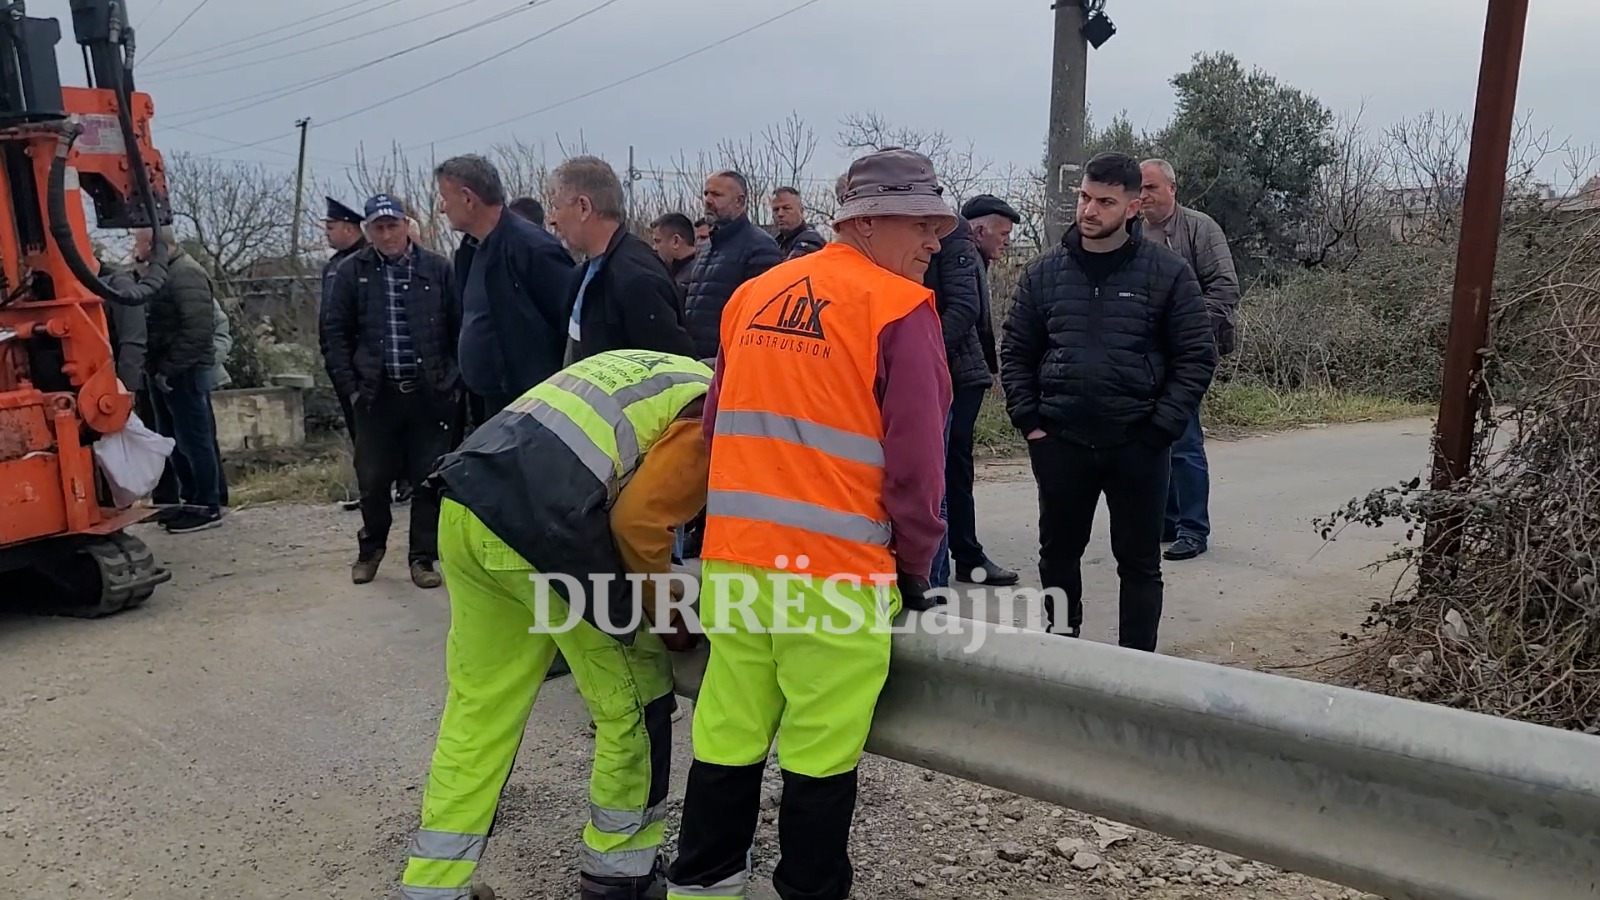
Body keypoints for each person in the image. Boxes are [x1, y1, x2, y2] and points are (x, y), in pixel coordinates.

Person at [666, 147, 953, 900]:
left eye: (939, 225)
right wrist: (916, 565)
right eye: (921, 223)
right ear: (866, 222)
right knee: (820, 756)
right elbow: (918, 466)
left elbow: (715, 426)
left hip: (736, 563)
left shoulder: (752, 295)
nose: (935, 239)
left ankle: (701, 890)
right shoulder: (899, 309)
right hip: (834, 577)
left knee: (726, 736)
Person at [404, 349, 713, 900]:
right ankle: (620, 875)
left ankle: (433, 886)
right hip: (545, 535)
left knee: (480, 708)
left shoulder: (653, 368)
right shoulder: (713, 408)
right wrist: (671, 621)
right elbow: (639, 524)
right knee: (634, 703)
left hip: (466, 503)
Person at [999, 152, 1215, 651]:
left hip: (1138, 443)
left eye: (1105, 202)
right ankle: (1062, 647)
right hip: (1060, 441)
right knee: (1057, 556)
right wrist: (1030, 422)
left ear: (1133, 207)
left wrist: (1160, 430)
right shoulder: (1043, 273)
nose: (1089, 210)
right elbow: (1016, 352)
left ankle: (1137, 668)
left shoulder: (1168, 274)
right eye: (1084, 197)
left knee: (1139, 564)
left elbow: (1195, 357)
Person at [324, 193, 463, 589]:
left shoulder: (437, 269)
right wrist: (351, 388)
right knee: (372, 479)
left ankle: (422, 558)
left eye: (393, 225)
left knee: (427, 479)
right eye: (379, 228)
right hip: (375, 395)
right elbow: (336, 335)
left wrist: (452, 381)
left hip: (428, 393)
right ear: (368, 230)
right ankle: (371, 549)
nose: (387, 235)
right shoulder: (352, 272)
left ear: (406, 225)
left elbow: (459, 328)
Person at [1139, 158, 1240, 562]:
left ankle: (1193, 528)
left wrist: (1185, 327)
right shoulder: (1131, 233)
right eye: (1139, 188)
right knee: (1152, 439)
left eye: (1151, 187)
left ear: (1172, 189)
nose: (1144, 195)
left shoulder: (1200, 228)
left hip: (1189, 353)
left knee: (1183, 438)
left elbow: (1225, 287)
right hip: (1142, 356)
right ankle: (1166, 521)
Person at [922, 198, 1019, 589]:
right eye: (1003, 233)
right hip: (955, 372)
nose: (1007, 242)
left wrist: (924, 355)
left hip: (959, 375)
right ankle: (962, 556)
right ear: (981, 230)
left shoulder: (957, 244)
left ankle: (966, 556)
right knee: (947, 468)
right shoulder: (959, 243)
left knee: (951, 468)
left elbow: (964, 309)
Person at [435, 154, 575, 423]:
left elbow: (567, 325)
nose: (442, 208)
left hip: (532, 407)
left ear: (468, 198)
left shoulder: (532, 249)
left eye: (445, 198)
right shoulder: (469, 251)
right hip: (490, 405)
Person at [544, 155, 695, 362]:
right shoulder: (586, 273)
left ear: (583, 207)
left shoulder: (637, 280)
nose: (551, 219)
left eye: (556, 207)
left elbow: (674, 368)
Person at [135, 225, 226, 534]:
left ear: (153, 244)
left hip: (184, 372)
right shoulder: (161, 272)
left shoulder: (186, 273)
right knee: (174, 440)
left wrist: (169, 368)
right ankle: (191, 501)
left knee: (194, 441)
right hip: (164, 370)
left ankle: (207, 504)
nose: (135, 248)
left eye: (138, 242)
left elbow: (197, 330)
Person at [680, 169, 783, 360]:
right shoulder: (708, 247)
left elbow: (762, 317)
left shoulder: (760, 247)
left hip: (730, 361)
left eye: (717, 195)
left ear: (739, 201)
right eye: (706, 193)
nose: (708, 200)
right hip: (697, 361)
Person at [649, 212, 699, 303]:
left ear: (676, 241)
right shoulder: (675, 273)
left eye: (658, 241)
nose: (654, 248)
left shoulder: (695, 277)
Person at [769, 185, 826, 259]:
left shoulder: (811, 239)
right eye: (776, 210)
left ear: (801, 211)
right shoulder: (776, 242)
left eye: (786, 208)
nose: (780, 214)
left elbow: (792, 265)